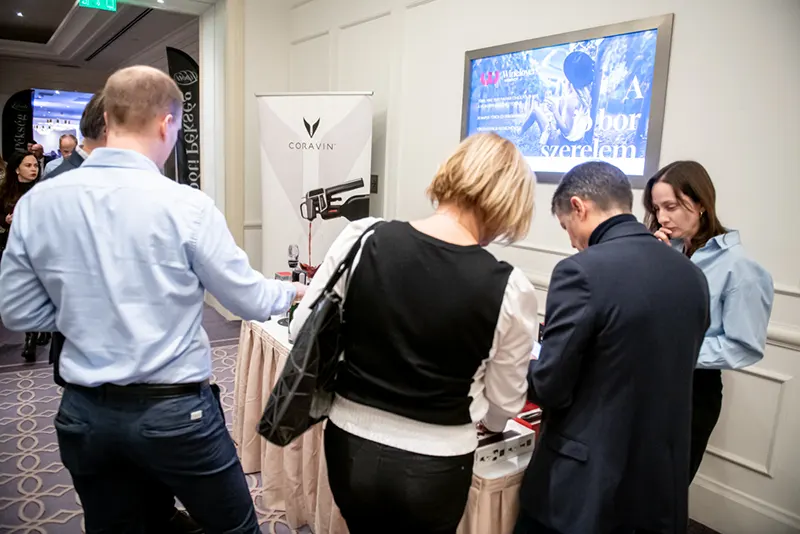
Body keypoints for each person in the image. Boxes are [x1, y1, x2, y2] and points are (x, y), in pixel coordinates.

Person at [0, 65, 305, 533]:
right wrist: (295, 291)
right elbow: (247, 299)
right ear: (166, 125)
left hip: (85, 414)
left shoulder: (37, 203)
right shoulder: (187, 206)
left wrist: (84, 312)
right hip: (176, 413)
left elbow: (19, 311)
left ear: (107, 118)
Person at [290, 132, 538, 534]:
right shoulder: (510, 288)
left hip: (350, 443)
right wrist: (491, 422)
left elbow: (303, 327)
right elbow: (505, 401)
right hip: (436, 463)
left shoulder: (363, 237)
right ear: (507, 204)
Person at [514, 162, 710, 534]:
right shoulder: (693, 277)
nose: (572, 241)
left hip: (584, 487)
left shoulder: (581, 271)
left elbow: (551, 386)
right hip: (657, 487)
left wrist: (515, 361)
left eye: (566, 227)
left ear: (578, 207)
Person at [643, 160, 773, 482]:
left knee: (665, 487)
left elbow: (745, 346)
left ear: (701, 203)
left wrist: (677, 352)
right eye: (657, 208)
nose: (662, 218)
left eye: (671, 206)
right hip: (647, 380)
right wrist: (650, 262)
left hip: (692, 392)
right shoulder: (666, 249)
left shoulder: (738, 267)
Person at [0, 151, 41, 362]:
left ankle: (31, 339)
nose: (33, 169)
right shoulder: (4, 191)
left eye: (35, 165)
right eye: (28, 165)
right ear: (17, 169)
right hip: (11, 247)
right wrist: (5, 220)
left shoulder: (43, 191)